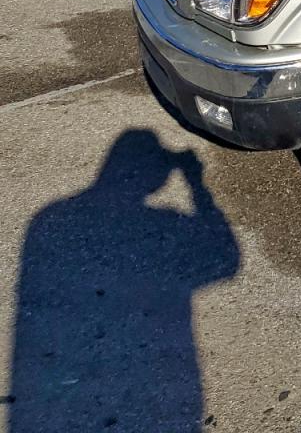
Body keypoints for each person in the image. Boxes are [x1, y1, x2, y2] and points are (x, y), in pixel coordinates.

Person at [7, 130, 239, 432]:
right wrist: (196, 184)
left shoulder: (48, 217)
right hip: (161, 388)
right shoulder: (163, 221)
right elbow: (227, 260)